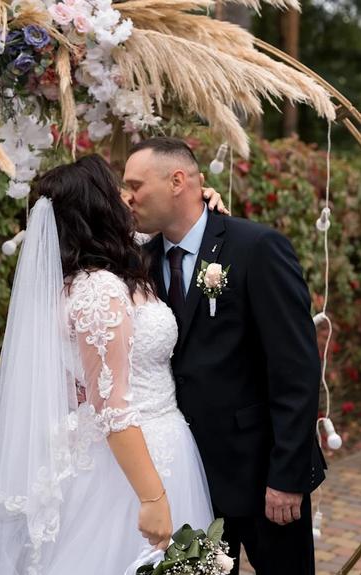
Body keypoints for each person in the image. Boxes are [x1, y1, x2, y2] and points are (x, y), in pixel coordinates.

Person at [0, 154, 228, 574]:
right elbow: (112, 407)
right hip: (134, 460)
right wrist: (152, 498)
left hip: (147, 443)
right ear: (98, 208)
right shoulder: (100, 291)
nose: (126, 198)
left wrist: (198, 202)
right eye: (117, 191)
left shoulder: (88, 277)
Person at [122, 137, 326, 575]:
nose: (128, 196)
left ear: (177, 181)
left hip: (262, 478)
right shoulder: (140, 260)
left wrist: (287, 477)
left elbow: (296, 368)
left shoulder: (256, 248)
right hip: (189, 482)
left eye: (135, 184)